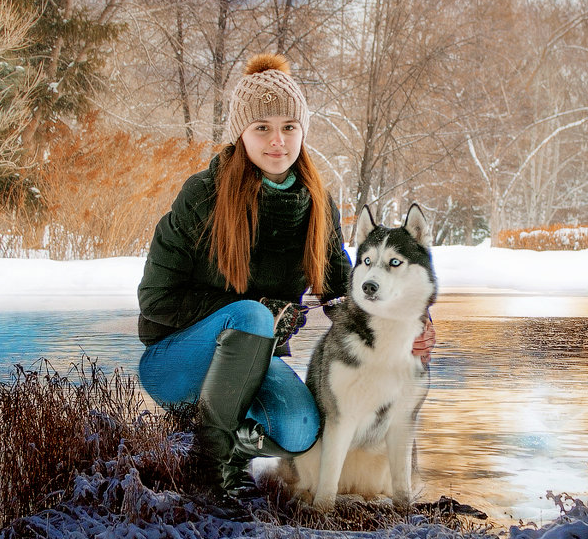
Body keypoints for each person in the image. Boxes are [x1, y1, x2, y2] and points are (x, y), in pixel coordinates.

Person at [135, 53, 434, 507]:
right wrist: (255, 312)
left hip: (247, 365)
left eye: (289, 127)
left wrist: (412, 325)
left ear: (302, 131)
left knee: (301, 430)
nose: (278, 141)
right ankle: (213, 472)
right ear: (241, 132)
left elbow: (343, 292)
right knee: (252, 315)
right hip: (174, 361)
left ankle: (222, 432)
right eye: (262, 128)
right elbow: (154, 300)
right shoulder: (203, 195)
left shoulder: (316, 204)